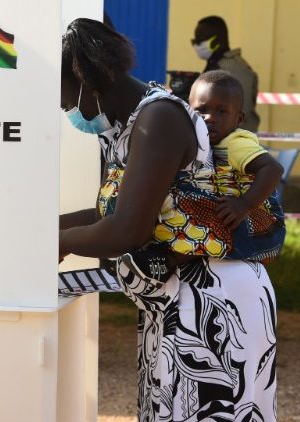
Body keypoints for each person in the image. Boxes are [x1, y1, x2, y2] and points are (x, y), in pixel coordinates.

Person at [59, 19, 279, 421]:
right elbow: (123, 210)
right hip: (180, 297)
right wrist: (46, 229)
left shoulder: (157, 119)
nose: (67, 111)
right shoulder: (132, 123)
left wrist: (58, 242)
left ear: (83, 78)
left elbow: (128, 229)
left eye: (65, 100)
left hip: (214, 304)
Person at [123, 70, 285, 282]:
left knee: (197, 210)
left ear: (239, 119)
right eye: (201, 111)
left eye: (221, 111)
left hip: (257, 226)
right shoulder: (201, 142)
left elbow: (273, 169)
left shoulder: (236, 143)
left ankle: (167, 262)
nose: (210, 118)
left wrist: (243, 204)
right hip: (234, 221)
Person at [192, 15, 260, 132]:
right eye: (194, 41)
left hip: (236, 140)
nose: (196, 45)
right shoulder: (216, 64)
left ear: (217, 40)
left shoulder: (234, 69)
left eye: (200, 40)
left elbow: (243, 109)